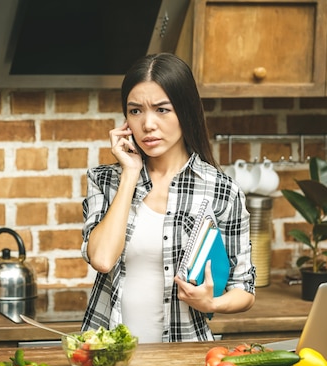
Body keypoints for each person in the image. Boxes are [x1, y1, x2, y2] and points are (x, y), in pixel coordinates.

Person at [80, 53, 255, 342]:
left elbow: (244, 289)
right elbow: (101, 259)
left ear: (185, 111)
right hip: (108, 355)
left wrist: (212, 303)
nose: (147, 124)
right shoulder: (106, 180)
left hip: (183, 359)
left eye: (162, 110)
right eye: (135, 111)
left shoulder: (222, 191)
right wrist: (130, 174)